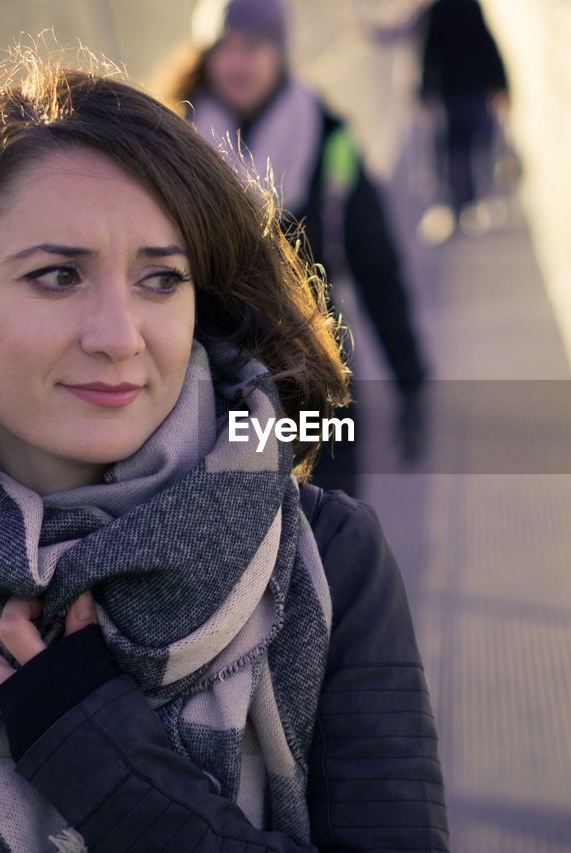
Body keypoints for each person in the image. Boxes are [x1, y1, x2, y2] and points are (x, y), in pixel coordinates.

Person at [0, 51, 448, 852]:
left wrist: (105, 759)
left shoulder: (327, 562)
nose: (119, 337)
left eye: (160, 280)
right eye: (56, 277)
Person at [161, 0, 429, 498]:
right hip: (207, 374)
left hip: (310, 365)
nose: (236, 63)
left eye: (252, 47)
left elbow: (376, 265)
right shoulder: (171, 144)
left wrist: (410, 382)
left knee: (326, 515)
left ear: (280, 53)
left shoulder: (330, 140)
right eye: (222, 48)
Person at [417, 0, 509, 231]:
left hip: (453, 93)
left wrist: (424, 92)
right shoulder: (470, 6)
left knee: (455, 151)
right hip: (474, 90)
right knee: (475, 147)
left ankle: (461, 205)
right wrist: (501, 85)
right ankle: (472, 204)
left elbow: (430, 52)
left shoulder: (438, 10)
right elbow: (488, 44)